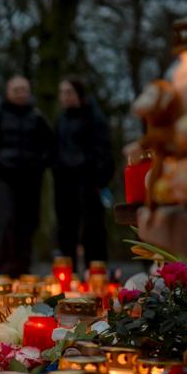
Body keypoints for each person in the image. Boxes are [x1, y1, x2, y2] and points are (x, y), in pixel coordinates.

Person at [0, 75, 54, 278]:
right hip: (2, 177)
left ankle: (23, 270)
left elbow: (51, 145)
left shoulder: (36, 117)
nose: (20, 94)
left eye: (24, 89)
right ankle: (1, 270)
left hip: (30, 178)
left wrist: (39, 164)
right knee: (5, 221)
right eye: (16, 90)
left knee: (28, 223)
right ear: (8, 92)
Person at [54, 76, 112, 270]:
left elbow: (104, 150)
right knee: (66, 228)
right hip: (65, 182)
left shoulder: (94, 117)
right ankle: (67, 273)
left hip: (89, 181)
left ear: (78, 94)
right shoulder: (61, 119)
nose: (64, 96)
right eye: (62, 93)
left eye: (68, 92)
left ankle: (95, 273)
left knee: (93, 229)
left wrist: (99, 178)